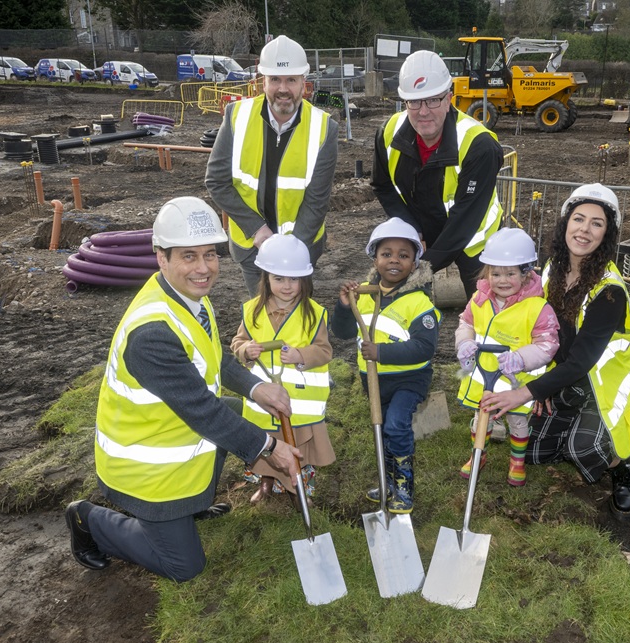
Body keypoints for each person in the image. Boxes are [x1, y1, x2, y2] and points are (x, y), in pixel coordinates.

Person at [64, 197, 303, 583]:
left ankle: (193, 503)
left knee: (241, 412)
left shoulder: (189, 298)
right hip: (145, 467)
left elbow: (213, 359)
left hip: (173, 434)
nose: (204, 268)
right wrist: (270, 449)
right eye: (188, 256)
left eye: (210, 254)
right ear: (162, 258)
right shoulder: (152, 333)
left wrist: (256, 388)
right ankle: (90, 520)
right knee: (185, 566)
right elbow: (203, 412)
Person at [480, 184, 630, 521]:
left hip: (601, 391)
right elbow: (539, 330)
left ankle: (621, 465)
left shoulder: (609, 292)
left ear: (607, 234)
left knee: (580, 448)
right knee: (532, 452)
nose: (584, 230)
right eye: (579, 219)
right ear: (565, 223)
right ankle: (573, 428)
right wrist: (542, 383)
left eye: (596, 223)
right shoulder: (553, 267)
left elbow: (582, 359)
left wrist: (526, 393)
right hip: (564, 380)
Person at [205, 35, 338, 298]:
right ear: (261, 80)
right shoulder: (237, 116)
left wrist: (291, 255)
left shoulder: (324, 128)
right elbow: (217, 181)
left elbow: (317, 201)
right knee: (262, 321)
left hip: (301, 248)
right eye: (275, 79)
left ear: (304, 83)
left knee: (296, 323)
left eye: (291, 80)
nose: (283, 88)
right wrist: (256, 228)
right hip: (251, 247)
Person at [372, 50, 504, 300]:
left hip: (475, 242)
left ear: (449, 99)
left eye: (433, 100)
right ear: (404, 102)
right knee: (409, 311)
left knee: (487, 314)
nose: (423, 111)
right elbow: (382, 186)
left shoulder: (479, 146)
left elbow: (464, 220)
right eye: (414, 101)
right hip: (422, 235)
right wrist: (413, 234)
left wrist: (422, 267)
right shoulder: (388, 132)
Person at [331, 217, 440, 513]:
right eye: (386, 254)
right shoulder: (364, 296)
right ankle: (388, 480)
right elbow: (341, 333)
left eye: (404, 255)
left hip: (409, 378)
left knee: (395, 424)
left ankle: (404, 485)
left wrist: (380, 352)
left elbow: (423, 348)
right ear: (374, 257)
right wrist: (344, 306)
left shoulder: (420, 303)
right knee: (382, 429)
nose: (394, 260)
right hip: (375, 379)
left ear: (415, 262)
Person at [230, 233, 335, 504]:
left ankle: (298, 489)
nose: (286, 286)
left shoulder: (314, 314)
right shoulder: (252, 311)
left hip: (298, 404)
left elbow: (324, 351)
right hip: (264, 404)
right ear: (266, 279)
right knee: (266, 445)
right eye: (278, 279)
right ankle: (266, 483)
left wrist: (301, 355)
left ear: (304, 280)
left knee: (297, 447)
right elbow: (238, 342)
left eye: (293, 279)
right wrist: (245, 350)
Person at [455, 228, 560, 486]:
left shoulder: (538, 307)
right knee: (481, 419)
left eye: (510, 273)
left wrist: (521, 358)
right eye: (496, 273)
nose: (502, 280)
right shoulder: (479, 299)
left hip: (516, 382)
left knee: (517, 422)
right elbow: (465, 324)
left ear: (525, 274)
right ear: (487, 273)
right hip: (485, 377)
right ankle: (478, 455)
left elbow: (548, 344)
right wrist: (465, 342)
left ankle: (517, 460)